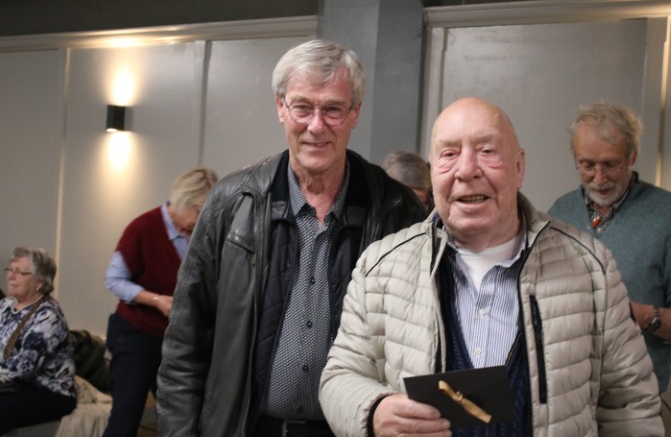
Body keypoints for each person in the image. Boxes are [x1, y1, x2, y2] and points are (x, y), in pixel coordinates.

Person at [319, 97, 663, 436]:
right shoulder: (380, 267)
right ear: (432, 173)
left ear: (519, 167)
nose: (467, 170)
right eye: (449, 154)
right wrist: (374, 411)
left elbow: (631, 405)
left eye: (486, 151)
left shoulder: (591, 269)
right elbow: (339, 377)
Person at [155, 39, 426, 437]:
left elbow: (420, 343)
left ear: (355, 113)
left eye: (333, 109)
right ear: (281, 107)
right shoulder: (232, 202)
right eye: (302, 107)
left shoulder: (396, 212)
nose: (316, 125)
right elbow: (185, 342)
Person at [548, 101, 671, 393]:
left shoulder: (670, 215)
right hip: (568, 391)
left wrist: (642, 316)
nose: (599, 178)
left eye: (611, 164)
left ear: (632, 156)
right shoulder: (561, 212)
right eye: (587, 165)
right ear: (575, 158)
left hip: (635, 395)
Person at [102, 166, 218, 437]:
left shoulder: (201, 234)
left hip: (178, 340)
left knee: (181, 420)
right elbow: (114, 280)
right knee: (125, 419)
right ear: (185, 202)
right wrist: (156, 300)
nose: (204, 219)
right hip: (136, 336)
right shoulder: (143, 227)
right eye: (200, 212)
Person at [0, 246, 77, 434]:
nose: (10, 276)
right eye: (10, 270)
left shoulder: (48, 316)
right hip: (12, 384)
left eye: (19, 272)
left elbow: (23, 366)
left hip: (48, 391)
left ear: (39, 284)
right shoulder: (5, 305)